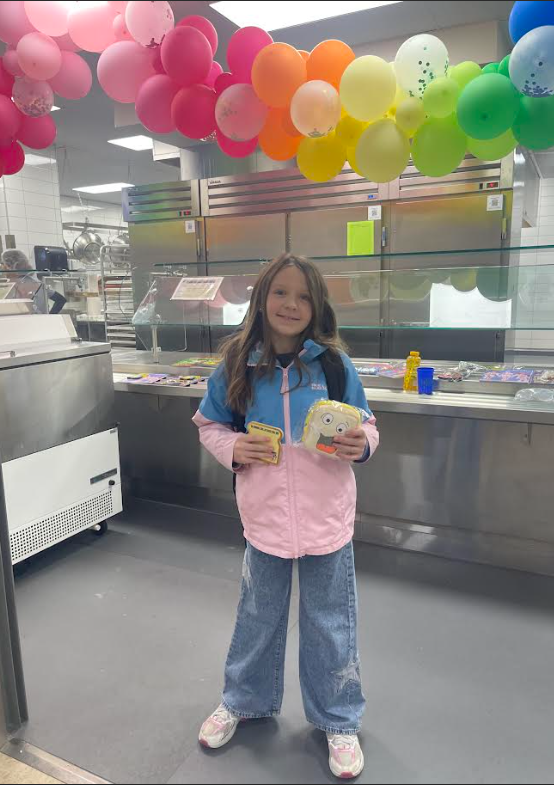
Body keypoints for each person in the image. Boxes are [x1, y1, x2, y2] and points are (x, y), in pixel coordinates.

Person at [192, 253, 379, 779]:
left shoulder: (336, 367)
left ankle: (339, 719)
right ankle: (242, 700)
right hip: (266, 522)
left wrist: (361, 443)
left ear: (316, 305)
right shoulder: (237, 364)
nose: (291, 304)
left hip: (327, 523)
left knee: (331, 625)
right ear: (262, 299)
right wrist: (233, 449)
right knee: (257, 618)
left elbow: (369, 427)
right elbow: (209, 425)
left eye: (303, 296)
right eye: (280, 293)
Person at [0, 249, 66, 315]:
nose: (1, 267)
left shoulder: (9, 286)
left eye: (2, 264)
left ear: (9, 266)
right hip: (40, 323)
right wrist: (50, 316)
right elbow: (60, 300)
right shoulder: (37, 283)